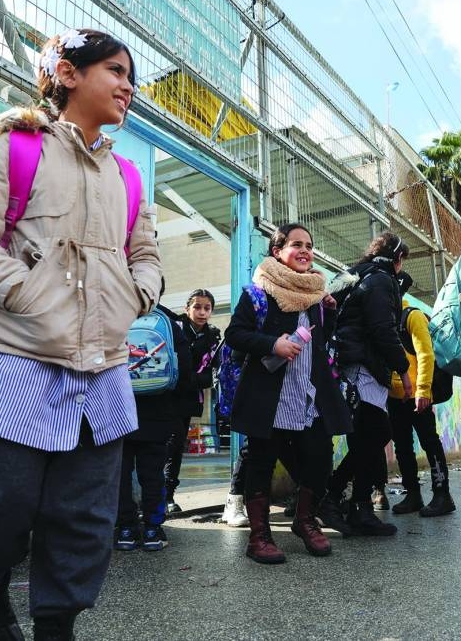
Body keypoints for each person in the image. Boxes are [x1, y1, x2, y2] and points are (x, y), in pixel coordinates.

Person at [0, 29, 162, 638]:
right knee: (5, 508)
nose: (128, 87)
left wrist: (135, 295)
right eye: (116, 72)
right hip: (18, 357)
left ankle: (56, 625)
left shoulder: (128, 175)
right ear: (69, 74)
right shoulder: (19, 149)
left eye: (132, 77)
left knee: (85, 518)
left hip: (104, 367)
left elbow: (144, 254)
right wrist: (30, 295)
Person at [224, 223, 352, 563]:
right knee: (262, 464)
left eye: (309, 245)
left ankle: (305, 520)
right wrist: (272, 344)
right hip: (270, 397)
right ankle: (259, 537)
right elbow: (235, 333)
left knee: (320, 455)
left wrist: (331, 313)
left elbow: (321, 341)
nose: (304, 251)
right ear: (277, 252)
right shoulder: (259, 292)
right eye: (296, 244)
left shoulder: (314, 295)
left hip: (309, 395)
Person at [321, 232, 413, 537]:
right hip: (365, 366)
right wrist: (403, 369)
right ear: (397, 259)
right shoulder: (381, 280)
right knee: (374, 434)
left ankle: (353, 504)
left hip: (348, 363)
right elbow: (382, 328)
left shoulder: (355, 274)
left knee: (368, 436)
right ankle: (337, 498)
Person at [115, 292, 191, 552]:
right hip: (158, 411)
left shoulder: (114, 313)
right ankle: (152, 528)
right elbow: (184, 371)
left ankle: (125, 529)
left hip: (119, 410)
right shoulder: (168, 321)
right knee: (153, 475)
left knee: (120, 475)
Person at [387, 272, 456, 517]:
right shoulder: (384, 320)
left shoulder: (412, 316)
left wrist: (423, 390)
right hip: (395, 397)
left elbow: (426, 355)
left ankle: (442, 494)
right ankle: (412, 494)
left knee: (429, 441)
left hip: (418, 394)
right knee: (403, 446)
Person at [164, 289, 222, 515]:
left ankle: (168, 495)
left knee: (176, 446)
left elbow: (212, 371)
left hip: (188, 397)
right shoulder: (175, 327)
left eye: (207, 308)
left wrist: (199, 380)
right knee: (162, 445)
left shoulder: (213, 335)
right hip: (166, 394)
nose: (202, 312)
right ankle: (154, 495)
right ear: (187, 308)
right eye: (197, 307)